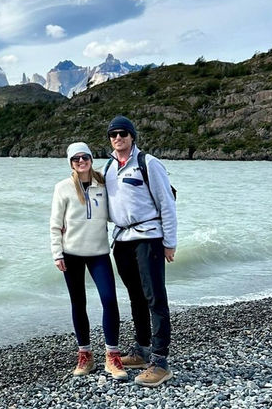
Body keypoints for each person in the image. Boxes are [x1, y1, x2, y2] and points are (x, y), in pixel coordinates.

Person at [104, 115, 177, 387]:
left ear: (132, 136)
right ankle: (142, 348)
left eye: (123, 133)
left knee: (155, 297)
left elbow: (167, 204)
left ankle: (160, 360)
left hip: (149, 238)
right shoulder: (109, 167)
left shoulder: (149, 163)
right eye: (113, 134)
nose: (118, 138)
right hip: (122, 240)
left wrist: (169, 242)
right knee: (135, 296)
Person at [50, 142, 127, 380]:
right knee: (78, 303)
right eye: (76, 159)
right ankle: (85, 354)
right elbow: (55, 224)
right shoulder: (62, 188)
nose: (81, 161)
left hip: (99, 253)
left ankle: (112, 355)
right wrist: (57, 253)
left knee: (109, 300)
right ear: (70, 163)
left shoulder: (104, 183)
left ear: (91, 159)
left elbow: (123, 204)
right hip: (71, 253)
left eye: (85, 157)